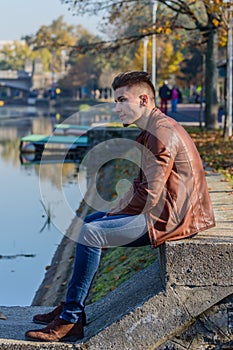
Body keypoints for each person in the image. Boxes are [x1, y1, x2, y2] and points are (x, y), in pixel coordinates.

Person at [25, 71, 215, 342]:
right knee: (88, 223)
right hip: (167, 209)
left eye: (122, 100)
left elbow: (149, 194)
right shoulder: (154, 128)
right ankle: (71, 306)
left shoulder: (161, 133)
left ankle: (70, 319)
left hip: (172, 217)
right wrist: (117, 208)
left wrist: (117, 211)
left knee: (92, 233)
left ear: (144, 99)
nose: (116, 108)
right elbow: (146, 187)